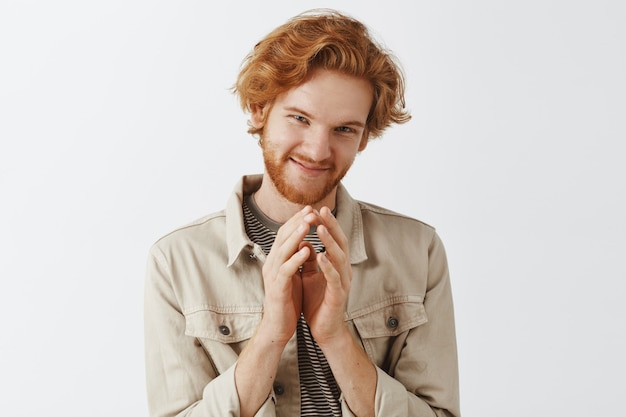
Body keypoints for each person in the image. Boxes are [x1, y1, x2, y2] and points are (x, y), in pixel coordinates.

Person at [144, 8, 460, 417]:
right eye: (299, 118)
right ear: (259, 109)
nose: (317, 150)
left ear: (364, 137)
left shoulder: (419, 251)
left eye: (344, 129)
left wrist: (335, 337)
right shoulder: (177, 261)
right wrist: (271, 335)